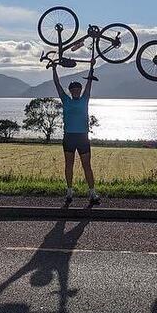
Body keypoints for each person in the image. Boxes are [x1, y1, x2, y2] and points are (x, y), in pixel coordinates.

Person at [52, 61, 100, 205]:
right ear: (70, 91)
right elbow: (57, 84)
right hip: (69, 137)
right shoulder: (65, 99)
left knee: (87, 166)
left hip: (83, 137)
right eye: (73, 89)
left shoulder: (85, 98)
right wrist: (54, 69)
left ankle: (92, 193)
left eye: (77, 89)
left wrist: (92, 67)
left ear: (80, 90)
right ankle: (69, 192)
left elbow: (90, 84)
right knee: (69, 165)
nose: (75, 91)